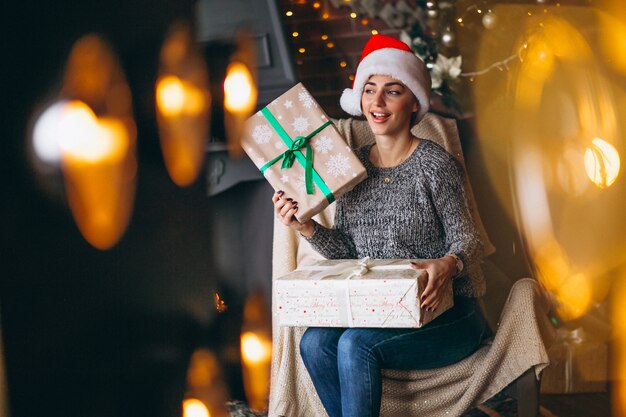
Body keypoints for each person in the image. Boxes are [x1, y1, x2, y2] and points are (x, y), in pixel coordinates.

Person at [271, 34, 490, 417]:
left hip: (448, 313)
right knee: (314, 344)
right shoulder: (352, 169)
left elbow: (466, 239)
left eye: (393, 91)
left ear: (413, 103)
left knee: (356, 345)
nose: (377, 102)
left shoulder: (434, 165)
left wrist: (449, 264)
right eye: (369, 90)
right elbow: (349, 254)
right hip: (381, 310)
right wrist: (305, 226)